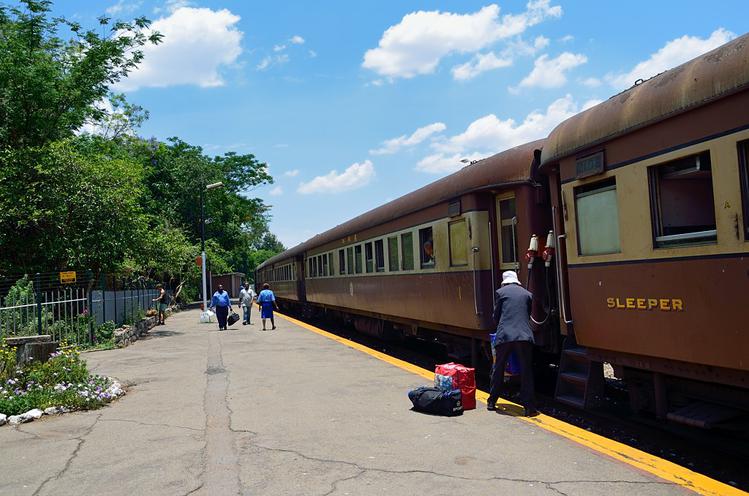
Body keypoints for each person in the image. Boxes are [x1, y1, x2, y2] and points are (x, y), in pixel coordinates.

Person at [486, 270, 537, 416]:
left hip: (506, 336)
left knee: (499, 368)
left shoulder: (500, 293)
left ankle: (492, 402)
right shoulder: (527, 294)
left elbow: (496, 317)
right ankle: (529, 407)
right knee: (526, 371)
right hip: (524, 336)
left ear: (505, 282)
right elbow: (526, 315)